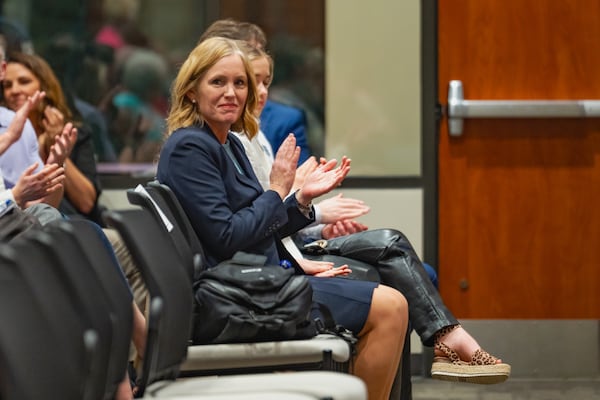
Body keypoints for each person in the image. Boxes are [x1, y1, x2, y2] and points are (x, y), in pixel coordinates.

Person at [233, 43, 511, 384]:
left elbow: (275, 212)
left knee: (402, 255)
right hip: (281, 258)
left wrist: (316, 219)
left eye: (263, 82)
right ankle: (447, 339)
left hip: (294, 243)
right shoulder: (232, 141)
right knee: (393, 251)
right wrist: (309, 206)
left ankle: (445, 340)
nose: (259, 91)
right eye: (250, 81)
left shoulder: (256, 135)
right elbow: (256, 219)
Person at [157, 37, 408, 400]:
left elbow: (255, 226)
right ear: (192, 91)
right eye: (218, 82)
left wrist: (300, 200)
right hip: (239, 299)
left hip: (255, 283)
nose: (231, 92)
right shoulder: (190, 148)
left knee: (385, 291)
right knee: (390, 308)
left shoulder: (227, 142)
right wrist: (276, 190)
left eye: (239, 83)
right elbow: (227, 236)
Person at [2, 51, 105, 225]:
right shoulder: (9, 131)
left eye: (24, 82)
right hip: (30, 223)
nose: (15, 90)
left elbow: (86, 202)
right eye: (7, 85)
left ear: (44, 87)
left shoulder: (74, 132)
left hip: (71, 219)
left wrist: (58, 156)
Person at [198, 18, 313, 163]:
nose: (230, 93)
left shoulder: (257, 136)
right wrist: (279, 184)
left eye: (265, 82)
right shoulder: (191, 144)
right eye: (218, 81)